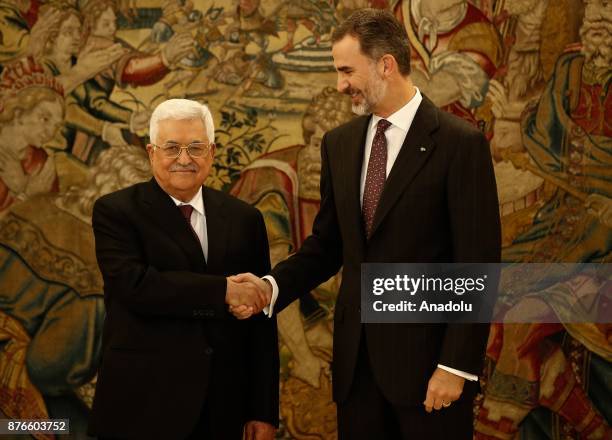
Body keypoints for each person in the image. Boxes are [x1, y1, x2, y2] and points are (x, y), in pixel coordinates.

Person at [231, 9, 501, 439]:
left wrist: (455, 367)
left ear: (386, 65)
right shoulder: (340, 144)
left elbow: (478, 264)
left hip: (431, 376)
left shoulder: (459, 143)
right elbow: (327, 246)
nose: (340, 85)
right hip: (357, 375)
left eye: (346, 71)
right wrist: (271, 288)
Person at [87, 98, 279, 439]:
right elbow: (136, 286)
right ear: (151, 153)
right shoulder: (116, 212)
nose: (184, 159)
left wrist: (262, 410)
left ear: (212, 153)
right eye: (172, 147)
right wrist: (224, 291)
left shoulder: (244, 218)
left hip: (223, 406)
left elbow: (261, 322)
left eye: (195, 148)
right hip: (142, 404)